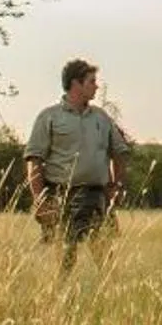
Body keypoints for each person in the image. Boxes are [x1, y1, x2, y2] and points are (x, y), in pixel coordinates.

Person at [25, 58, 130, 266]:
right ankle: (62, 296)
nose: (96, 86)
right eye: (91, 81)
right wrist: (40, 200)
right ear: (76, 84)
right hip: (62, 195)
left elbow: (119, 152)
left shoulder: (101, 117)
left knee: (105, 258)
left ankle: (106, 295)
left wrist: (115, 185)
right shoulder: (49, 117)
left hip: (96, 195)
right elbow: (34, 160)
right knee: (64, 259)